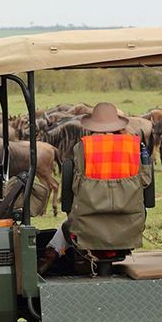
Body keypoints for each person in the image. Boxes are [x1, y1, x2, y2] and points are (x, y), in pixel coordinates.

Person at [38, 102, 130, 274]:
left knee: (68, 225)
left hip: (89, 225)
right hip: (128, 225)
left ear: (92, 126)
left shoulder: (82, 149)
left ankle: (48, 257)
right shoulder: (135, 149)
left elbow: (73, 188)